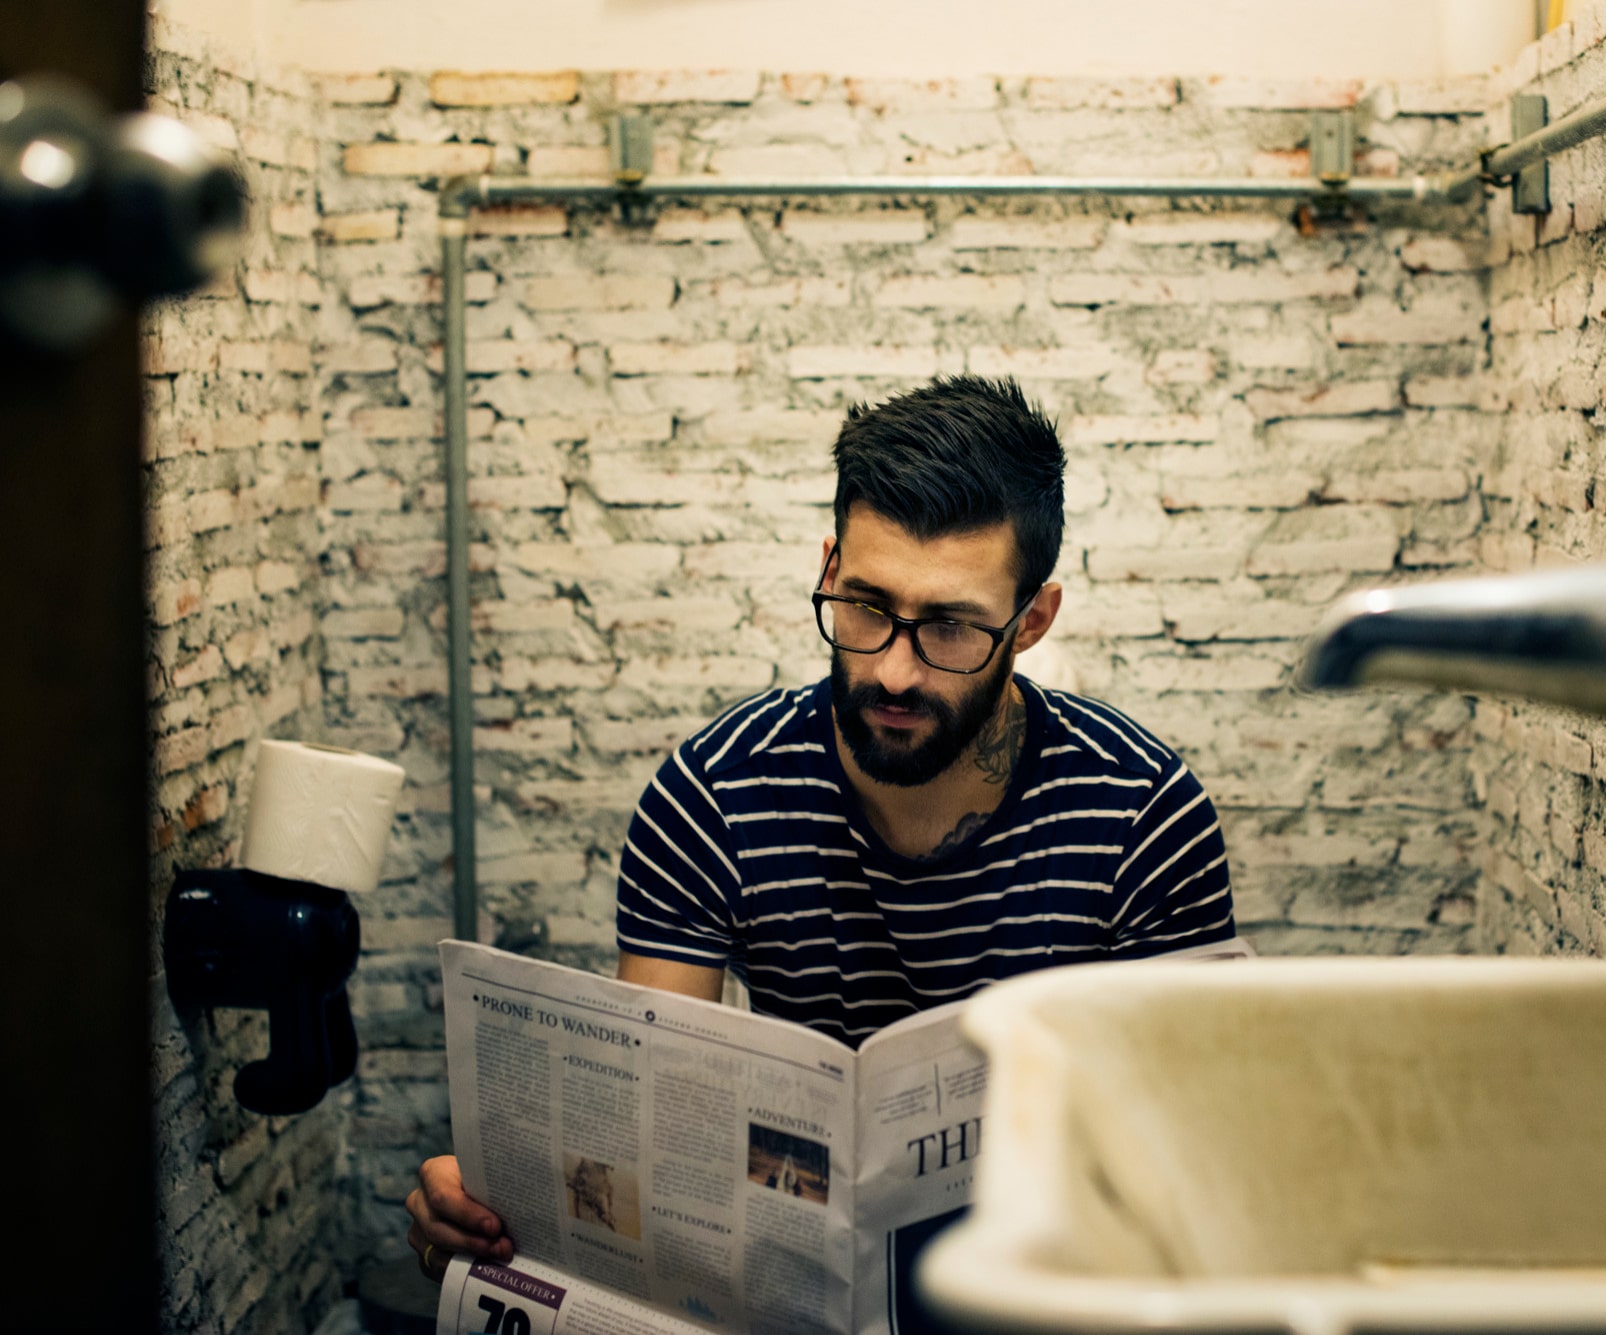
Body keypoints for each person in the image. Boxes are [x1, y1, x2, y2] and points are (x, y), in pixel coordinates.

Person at [406, 375, 1236, 1275]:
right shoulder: (712, 798)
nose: (895, 672)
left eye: (951, 627)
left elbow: (1189, 1160)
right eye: (868, 607)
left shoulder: (1143, 814)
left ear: (1031, 620)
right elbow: (652, 1132)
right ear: (830, 570)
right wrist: (495, 1212)